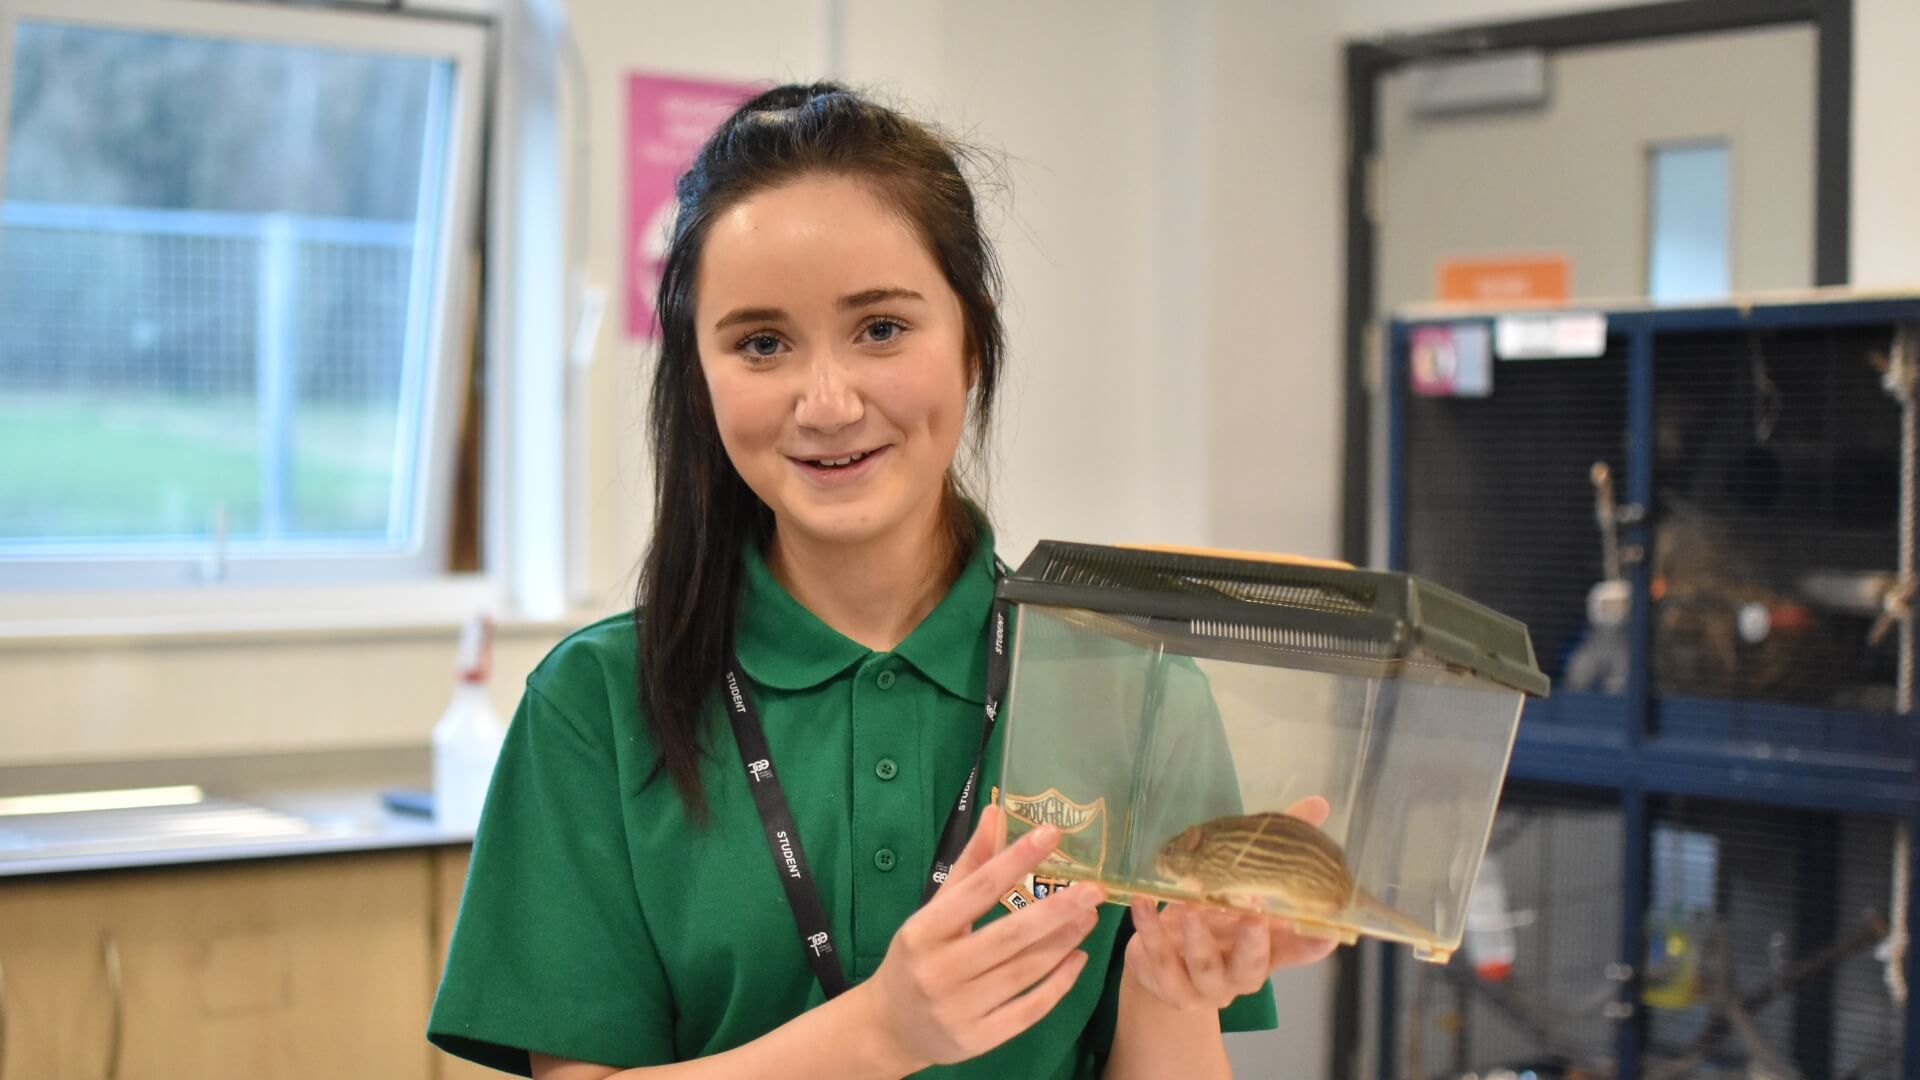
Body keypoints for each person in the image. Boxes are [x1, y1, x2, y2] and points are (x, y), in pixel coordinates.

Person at [427, 82, 1337, 1080]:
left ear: (973, 343)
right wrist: (879, 1036)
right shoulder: (596, 704)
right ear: (698, 374)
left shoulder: (1136, 691)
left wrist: (1166, 993)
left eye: (882, 329)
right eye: (761, 343)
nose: (827, 402)